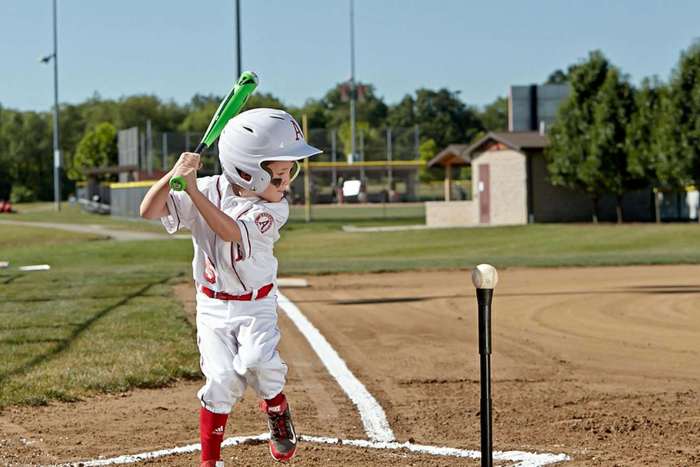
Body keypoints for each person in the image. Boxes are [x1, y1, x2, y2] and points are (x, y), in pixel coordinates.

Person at [139, 108, 322, 466]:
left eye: (289, 173)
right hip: (211, 308)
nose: (287, 183)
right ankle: (210, 461)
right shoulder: (205, 189)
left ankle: (277, 409)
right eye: (280, 175)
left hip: (255, 306)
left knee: (258, 364)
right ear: (247, 171)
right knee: (220, 379)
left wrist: (191, 190)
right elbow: (149, 210)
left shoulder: (274, 210)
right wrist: (173, 176)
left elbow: (230, 232)